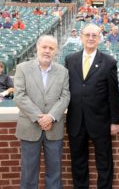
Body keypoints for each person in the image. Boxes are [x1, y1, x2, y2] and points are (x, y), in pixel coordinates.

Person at [65, 23, 119, 189]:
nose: (90, 38)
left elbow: (113, 94)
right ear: (81, 37)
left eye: (94, 35)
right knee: (78, 162)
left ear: (99, 38)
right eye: (87, 35)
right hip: (76, 120)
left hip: (100, 121)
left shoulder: (109, 61)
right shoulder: (70, 59)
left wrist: (115, 121)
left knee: (104, 162)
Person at [14, 35, 70, 188]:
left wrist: (51, 117)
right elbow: (19, 96)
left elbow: (65, 96)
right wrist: (40, 117)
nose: (47, 51)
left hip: (54, 129)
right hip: (30, 128)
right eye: (44, 47)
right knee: (29, 172)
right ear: (37, 48)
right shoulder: (22, 68)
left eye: (51, 48)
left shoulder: (63, 71)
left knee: (54, 172)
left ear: (56, 51)